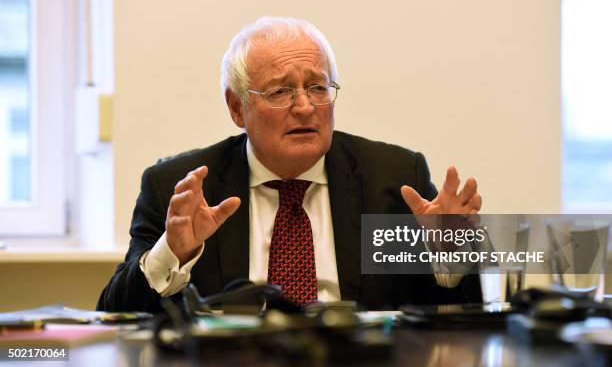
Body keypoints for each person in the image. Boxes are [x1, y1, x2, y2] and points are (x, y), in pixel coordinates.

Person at [97, 16, 482, 312]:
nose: (305, 106)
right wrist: (173, 253)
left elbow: (458, 313)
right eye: (280, 91)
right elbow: (116, 314)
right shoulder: (177, 189)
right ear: (236, 107)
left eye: (318, 87)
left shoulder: (395, 179)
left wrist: (451, 254)